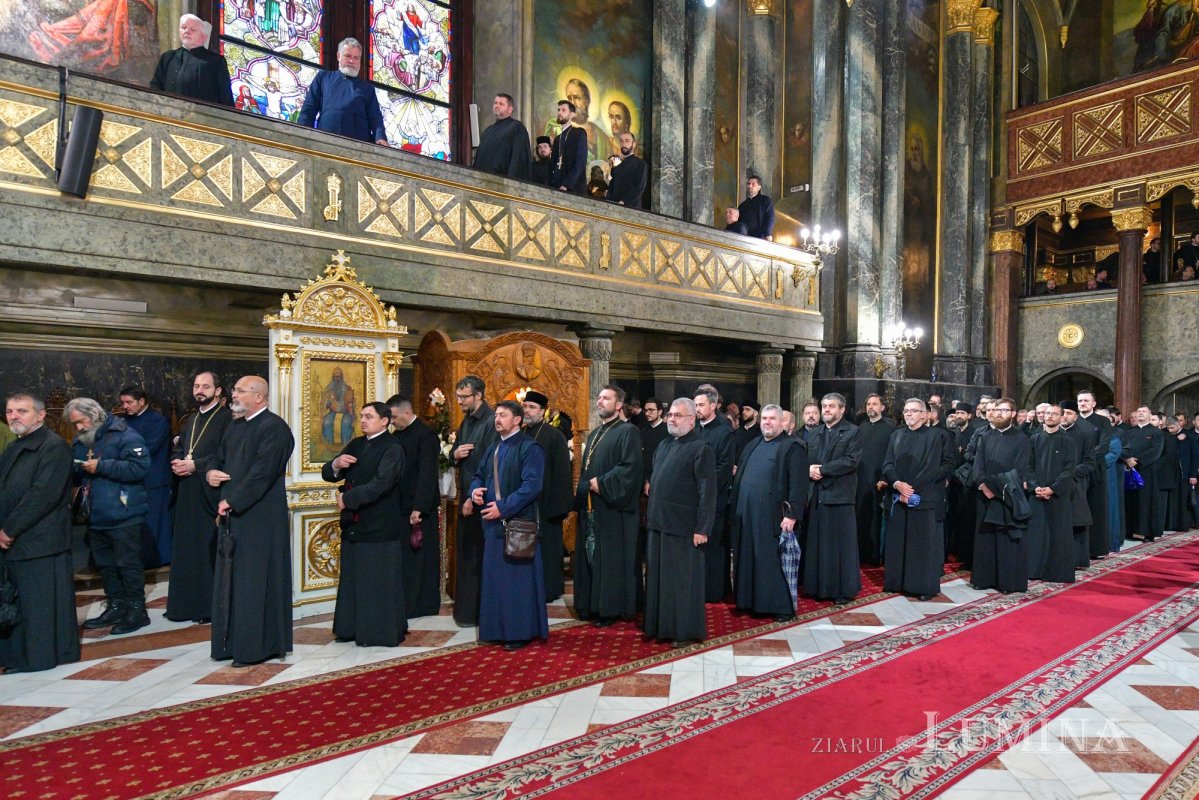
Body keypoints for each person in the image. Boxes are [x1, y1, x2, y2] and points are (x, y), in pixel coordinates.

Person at [206, 376, 295, 666]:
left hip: (261, 518)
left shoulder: (274, 428)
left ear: (259, 397)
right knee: (231, 580)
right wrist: (211, 473)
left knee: (255, 582)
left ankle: (256, 647)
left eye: (240, 391)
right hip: (232, 514)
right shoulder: (235, 426)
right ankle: (228, 643)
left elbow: (263, 473)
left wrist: (232, 500)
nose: (234, 395)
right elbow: (217, 459)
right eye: (235, 390)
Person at [0, 393, 80, 673]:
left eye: (22, 411)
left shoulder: (54, 447)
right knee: (22, 602)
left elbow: (43, 495)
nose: (14, 416)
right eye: (10, 411)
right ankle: (17, 656)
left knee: (40, 604)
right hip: (18, 540)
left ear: (41, 415)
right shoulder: (14, 447)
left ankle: (38, 658)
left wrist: (9, 530)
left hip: (40, 540)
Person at [322, 402, 407, 647]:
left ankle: (376, 632)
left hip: (379, 524)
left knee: (375, 581)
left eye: (369, 416)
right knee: (353, 579)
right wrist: (336, 465)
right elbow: (330, 471)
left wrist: (347, 499)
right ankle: (350, 628)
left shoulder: (393, 447)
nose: (363, 420)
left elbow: (382, 483)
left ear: (384, 421)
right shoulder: (358, 444)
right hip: (354, 525)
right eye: (361, 416)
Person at [68, 397, 151, 635]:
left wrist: (103, 466)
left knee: (128, 565)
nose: (79, 428)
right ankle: (116, 605)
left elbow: (140, 468)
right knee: (106, 566)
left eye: (81, 422)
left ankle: (137, 611)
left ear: (94, 415)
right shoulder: (82, 439)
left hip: (124, 514)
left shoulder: (126, 435)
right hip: (95, 515)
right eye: (75, 424)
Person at [469, 400, 547, 651]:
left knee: (516, 582)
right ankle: (495, 629)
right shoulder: (493, 447)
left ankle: (519, 631)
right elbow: (478, 475)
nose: (497, 419)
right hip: (492, 525)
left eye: (503, 415)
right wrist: (475, 492)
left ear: (517, 420)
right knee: (495, 580)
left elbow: (531, 487)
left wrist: (503, 507)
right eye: (496, 415)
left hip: (517, 524)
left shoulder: (530, 448)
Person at [644, 398, 716, 646]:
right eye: (670, 415)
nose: (672, 419)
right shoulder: (663, 445)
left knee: (682, 583)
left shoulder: (700, 448)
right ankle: (660, 627)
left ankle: (684, 632)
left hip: (684, 528)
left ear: (692, 420)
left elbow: (708, 492)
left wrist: (702, 528)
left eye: (678, 415)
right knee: (659, 580)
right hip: (659, 524)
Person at [165, 371, 232, 624]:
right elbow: (180, 449)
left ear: (218, 391)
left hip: (210, 493)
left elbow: (226, 455)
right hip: (188, 492)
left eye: (205, 386)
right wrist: (177, 461)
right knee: (187, 549)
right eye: (196, 386)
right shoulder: (190, 419)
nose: (199, 390)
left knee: (207, 550)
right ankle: (185, 605)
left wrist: (196, 465)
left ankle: (207, 607)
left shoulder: (227, 419)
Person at [730, 404, 808, 620]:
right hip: (747, 514)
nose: (767, 422)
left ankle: (779, 607)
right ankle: (748, 601)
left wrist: (791, 514)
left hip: (774, 518)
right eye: (764, 418)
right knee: (748, 558)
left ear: (782, 422)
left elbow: (798, 485)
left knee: (771, 562)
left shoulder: (792, 447)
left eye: (772, 418)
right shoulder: (753, 444)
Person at [574, 385, 643, 626]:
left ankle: (610, 608)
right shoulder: (595, 433)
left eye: (606, 398)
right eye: (599, 397)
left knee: (610, 559)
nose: (600, 402)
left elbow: (630, 469)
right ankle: (591, 604)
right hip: (594, 507)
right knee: (591, 555)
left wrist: (600, 483)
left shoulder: (628, 432)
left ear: (618, 404)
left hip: (614, 509)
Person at [881, 399, 956, 599]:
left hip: (926, 497)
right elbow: (887, 464)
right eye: (906, 411)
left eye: (913, 411)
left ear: (924, 415)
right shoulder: (896, 435)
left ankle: (922, 587)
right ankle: (896, 582)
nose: (909, 415)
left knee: (922, 545)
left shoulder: (938, 436)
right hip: (899, 496)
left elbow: (947, 465)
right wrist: (897, 484)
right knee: (898, 542)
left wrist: (913, 488)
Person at [805, 393, 862, 604]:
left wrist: (822, 470)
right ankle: (816, 587)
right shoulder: (814, 433)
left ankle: (842, 591)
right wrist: (808, 469)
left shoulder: (853, 432)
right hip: (816, 494)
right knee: (817, 544)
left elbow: (850, 461)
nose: (826, 410)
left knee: (839, 547)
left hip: (840, 496)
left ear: (842, 410)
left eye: (831, 406)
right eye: (824, 406)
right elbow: (804, 458)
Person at [970, 398, 1032, 594]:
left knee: (1006, 540)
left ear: (1013, 413)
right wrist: (982, 484)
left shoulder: (1022, 439)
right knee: (985, 538)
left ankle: (1007, 582)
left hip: (1007, 495)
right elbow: (977, 464)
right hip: (984, 495)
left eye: (1004, 410)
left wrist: (994, 488)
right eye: (996, 410)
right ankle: (984, 578)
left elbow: (1019, 470)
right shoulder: (985, 437)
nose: (998, 413)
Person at [388, 395, 441, 619]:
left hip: (419, 509)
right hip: (401, 506)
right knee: (406, 559)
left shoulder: (426, 435)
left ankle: (423, 604)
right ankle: (407, 602)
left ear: (407, 414)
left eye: (394, 417)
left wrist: (418, 507)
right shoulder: (398, 435)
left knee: (421, 558)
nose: (391, 422)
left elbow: (427, 474)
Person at [452, 376, 498, 626]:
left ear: (478, 395)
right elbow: (458, 452)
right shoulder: (466, 421)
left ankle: (482, 612)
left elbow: (489, 464)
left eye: (464, 397)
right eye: (458, 396)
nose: (459, 402)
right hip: (467, 496)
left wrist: (473, 495)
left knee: (480, 557)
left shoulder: (491, 422)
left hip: (481, 500)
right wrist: (454, 454)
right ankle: (467, 611)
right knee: (467, 555)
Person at [521, 390, 573, 603]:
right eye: (525, 407)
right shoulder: (521, 433)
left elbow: (562, 473)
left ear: (543, 411)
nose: (527, 411)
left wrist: (558, 507)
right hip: (526, 505)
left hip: (548, 504)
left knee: (549, 550)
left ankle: (550, 588)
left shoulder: (554, 436)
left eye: (532, 407)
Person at [119, 385, 172, 568]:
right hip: (129, 480)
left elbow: (148, 449)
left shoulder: (158, 421)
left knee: (154, 523)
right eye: (123, 402)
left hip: (153, 480)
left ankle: (156, 560)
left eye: (129, 402)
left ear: (142, 402)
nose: (125, 406)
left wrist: (121, 454)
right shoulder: (122, 421)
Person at [1027, 405, 1081, 583]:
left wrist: (1053, 489)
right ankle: (1033, 570)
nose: (1050, 416)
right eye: (1047, 413)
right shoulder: (1033, 439)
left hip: (1058, 496)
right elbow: (1028, 467)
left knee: (1058, 535)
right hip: (1036, 494)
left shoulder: (1069, 442)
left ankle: (1056, 573)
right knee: (1035, 534)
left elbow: (1069, 470)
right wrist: (1035, 487)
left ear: (1061, 417)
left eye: (1054, 414)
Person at [297, 38, 387, 145]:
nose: (352, 61)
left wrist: (380, 137)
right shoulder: (323, 78)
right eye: (348, 56)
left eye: (356, 58)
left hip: (359, 147)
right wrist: (301, 134)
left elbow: (375, 118)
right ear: (338, 56)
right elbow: (309, 109)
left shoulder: (367, 88)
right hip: (325, 142)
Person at [694, 386, 735, 603]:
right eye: (696, 405)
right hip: (694, 500)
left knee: (715, 546)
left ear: (713, 405)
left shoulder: (724, 431)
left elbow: (723, 467)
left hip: (715, 500)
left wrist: (703, 485)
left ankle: (715, 590)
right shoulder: (693, 428)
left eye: (701, 405)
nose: (698, 409)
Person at [150, 14, 234, 107]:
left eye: (193, 29)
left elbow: (225, 96)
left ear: (204, 37)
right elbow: (155, 88)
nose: (187, 31)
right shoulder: (168, 57)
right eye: (183, 27)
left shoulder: (215, 61)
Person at [856, 394, 894, 566]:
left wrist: (885, 477)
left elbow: (891, 455)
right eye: (868, 404)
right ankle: (861, 553)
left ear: (882, 407)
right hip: (861, 479)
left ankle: (875, 556)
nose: (871, 407)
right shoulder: (860, 427)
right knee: (861, 515)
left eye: (874, 404)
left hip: (879, 480)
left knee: (877, 518)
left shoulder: (890, 428)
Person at [1077, 390, 1113, 559]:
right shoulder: (1073, 421)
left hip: (1095, 471)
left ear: (1093, 403)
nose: (1082, 403)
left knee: (1096, 510)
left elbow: (1103, 447)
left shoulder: (1103, 422)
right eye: (1080, 401)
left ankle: (1096, 549)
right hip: (1075, 472)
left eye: (1085, 401)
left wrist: (1086, 464)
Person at [1124, 405, 1164, 541]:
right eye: (1139, 411)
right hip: (1129, 470)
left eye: (1143, 411)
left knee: (1147, 502)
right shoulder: (1129, 432)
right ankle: (1129, 530)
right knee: (1130, 501)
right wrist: (1128, 459)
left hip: (1147, 471)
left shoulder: (1156, 432)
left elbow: (1156, 451)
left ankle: (1148, 532)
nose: (1140, 413)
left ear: (1149, 415)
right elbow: (1124, 448)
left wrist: (1138, 460)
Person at [473, 93, 532, 180]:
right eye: (495, 103)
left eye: (501, 104)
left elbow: (518, 160)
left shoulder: (516, 128)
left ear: (510, 109)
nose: (497, 106)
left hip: (502, 182)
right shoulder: (487, 131)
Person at [549, 100, 588, 195]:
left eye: (563, 110)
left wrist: (566, 185)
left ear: (571, 115)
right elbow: (553, 165)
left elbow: (580, 162)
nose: (559, 113)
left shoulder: (579, 133)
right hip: (557, 188)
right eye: (558, 110)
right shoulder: (558, 139)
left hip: (574, 189)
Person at [607, 132, 647, 207]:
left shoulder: (640, 164)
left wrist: (624, 202)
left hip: (631, 210)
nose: (623, 144)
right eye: (621, 141)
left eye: (627, 141)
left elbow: (639, 188)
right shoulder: (618, 167)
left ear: (634, 144)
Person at [737, 175, 775, 241]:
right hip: (744, 238)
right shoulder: (742, 205)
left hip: (760, 237)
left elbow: (770, 217)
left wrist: (768, 234)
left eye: (753, 184)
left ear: (759, 187)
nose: (750, 186)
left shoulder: (765, 200)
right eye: (748, 184)